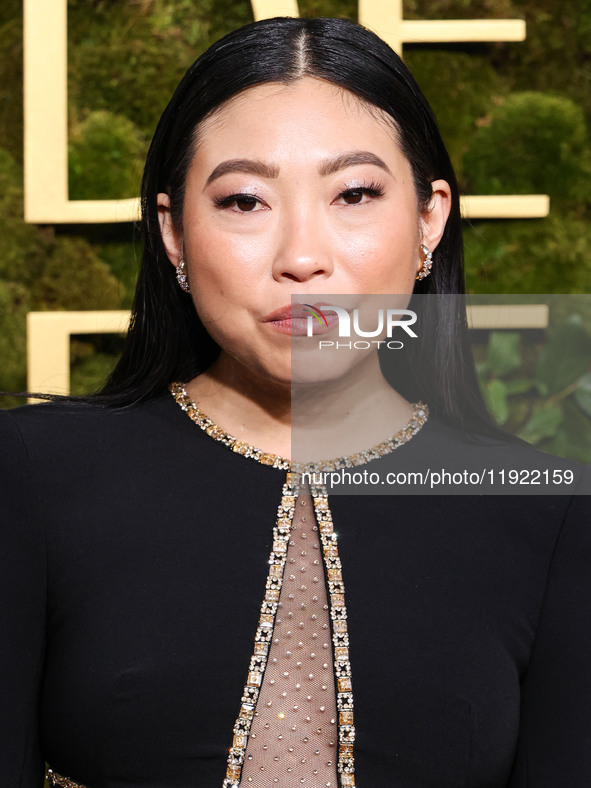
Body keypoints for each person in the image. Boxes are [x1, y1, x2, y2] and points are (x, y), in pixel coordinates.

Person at [1, 15, 590, 788]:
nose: (301, 258)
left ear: (429, 218)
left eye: (353, 193)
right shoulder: (32, 476)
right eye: (245, 202)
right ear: (174, 233)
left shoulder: (549, 518)